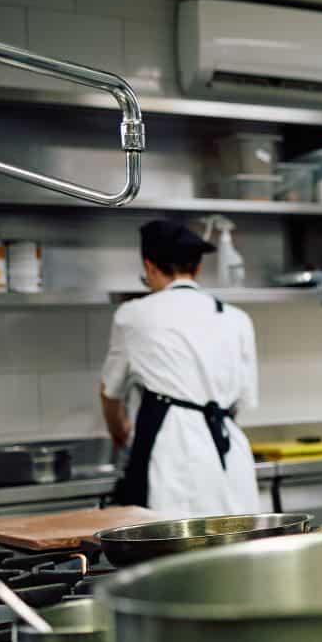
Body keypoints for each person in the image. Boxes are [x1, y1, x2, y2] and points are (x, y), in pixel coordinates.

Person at [101, 219, 259, 514]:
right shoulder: (237, 318)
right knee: (234, 548)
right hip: (230, 454)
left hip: (171, 453)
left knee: (174, 553)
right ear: (197, 269)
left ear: (149, 267)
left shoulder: (133, 315)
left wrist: (119, 431)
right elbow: (242, 401)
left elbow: (109, 392)